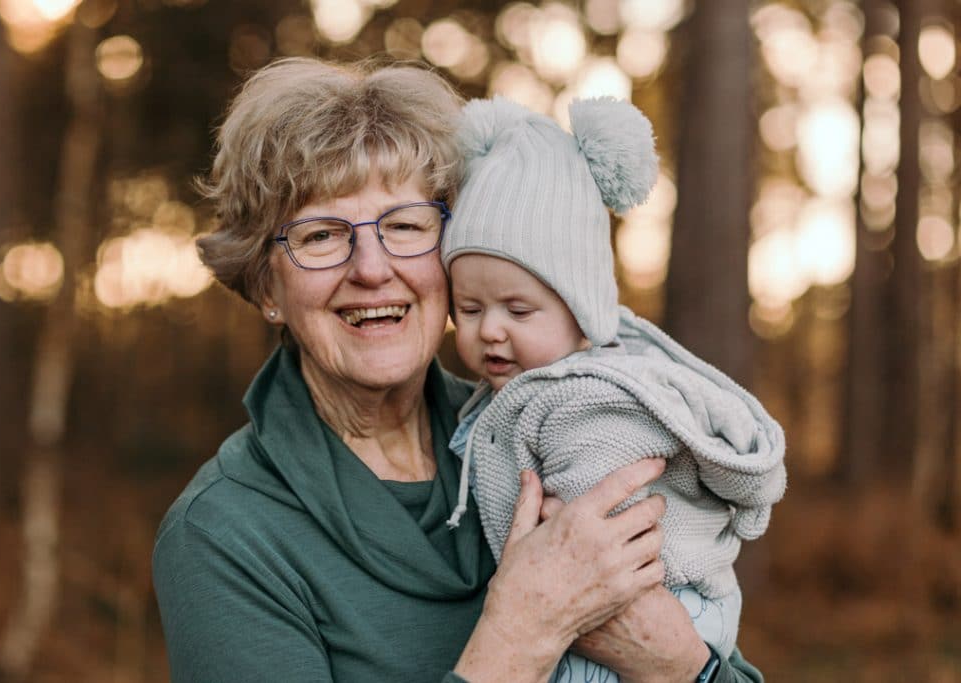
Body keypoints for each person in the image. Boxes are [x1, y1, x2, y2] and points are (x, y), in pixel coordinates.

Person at [152, 56, 766, 683]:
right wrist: (522, 632)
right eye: (321, 236)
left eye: (406, 225)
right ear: (267, 289)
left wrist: (677, 663)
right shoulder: (224, 535)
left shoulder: (553, 433)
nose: (370, 268)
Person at [439, 96, 787, 683]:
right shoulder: (521, 392)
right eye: (469, 307)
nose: (489, 329)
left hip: (652, 608)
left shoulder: (590, 403)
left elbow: (590, 555)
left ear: (584, 314)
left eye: (518, 309)